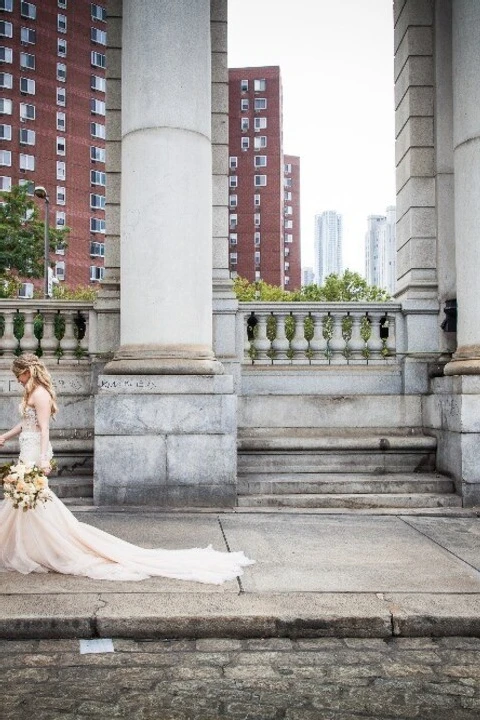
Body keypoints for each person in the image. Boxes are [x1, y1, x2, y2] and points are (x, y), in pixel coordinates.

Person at [0, 354, 254, 583]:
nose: (18, 380)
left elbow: (44, 429)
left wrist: (44, 458)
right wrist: (5, 436)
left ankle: (46, 546)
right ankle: (29, 546)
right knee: (27, 501)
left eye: (18, 375)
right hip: (27, 448)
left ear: (28, 371)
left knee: (31, 500)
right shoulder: (31, 393)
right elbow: (26, 424)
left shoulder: (41, 394)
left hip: (35, 452)